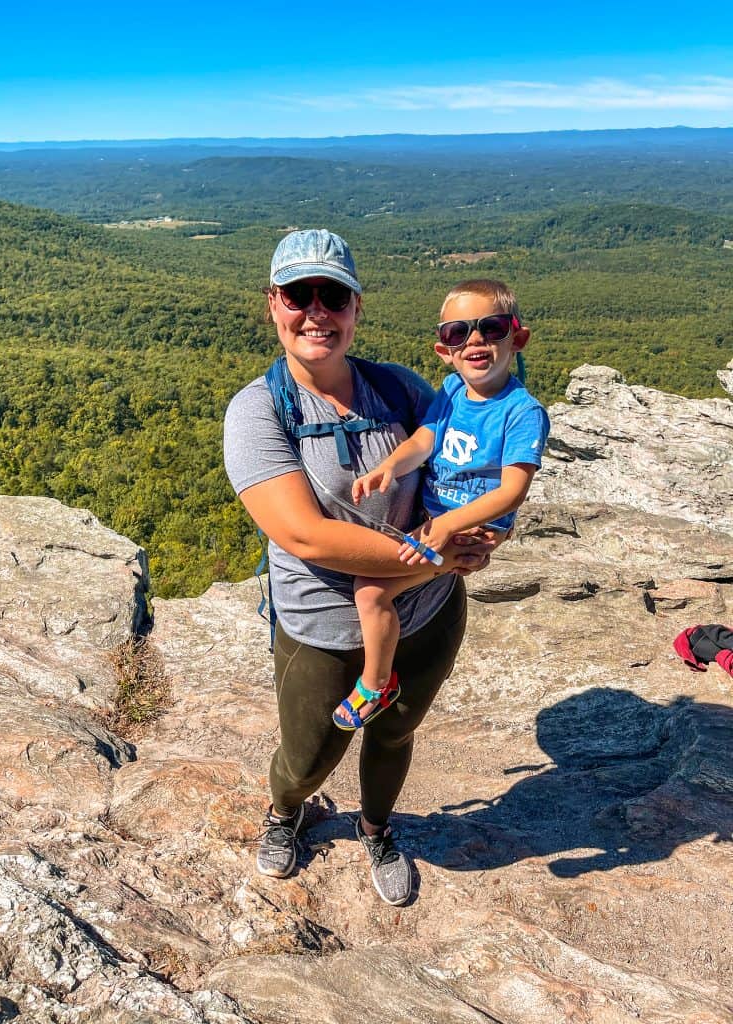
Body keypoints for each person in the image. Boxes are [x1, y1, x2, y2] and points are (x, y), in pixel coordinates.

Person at [223, 229, 493, 906]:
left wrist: (489, 524)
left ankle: (376, 828)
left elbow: (472, 465)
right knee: (308, 755)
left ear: (356, 308)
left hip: (428, 612)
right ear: (273, 305)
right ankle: (286, 810)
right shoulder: (259, 412)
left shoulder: (398, 389)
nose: (316, 311)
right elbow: (306, 537)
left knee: (395, 731)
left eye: (333, 296)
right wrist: (440, 552)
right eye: (298, 295)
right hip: (324, 625)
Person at [334, 278, 550, 729]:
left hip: (466, 529)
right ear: (444, 350)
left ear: (518, 339)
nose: (475, 340)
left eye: (492, 327)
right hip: (440, 520)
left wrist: (447, 527)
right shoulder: (452, 390)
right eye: (458, 332)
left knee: (371, 591)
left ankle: (376, 684)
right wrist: (390, 466)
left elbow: (512, 492)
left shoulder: (522, 412)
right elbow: (425, 440)